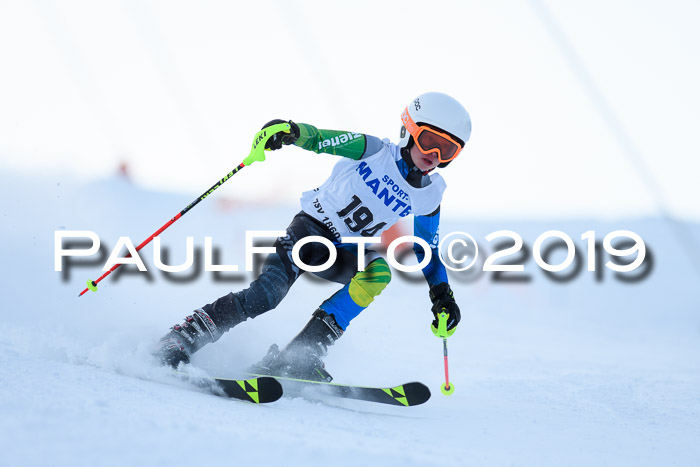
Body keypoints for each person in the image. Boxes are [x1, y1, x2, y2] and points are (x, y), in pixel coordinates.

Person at [155, 92, 471, 382]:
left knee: (378, 273)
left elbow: (426, 250)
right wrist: (293, 132)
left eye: (447, 149)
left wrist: (442, 294)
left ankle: (303, 354)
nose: (434, 154)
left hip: (346, 250)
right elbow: (321, 140)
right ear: (409, 129)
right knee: (267, 296)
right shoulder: (373, 150)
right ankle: (183, 336)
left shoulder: (430, 194)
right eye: (429, 140)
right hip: (309, 232)